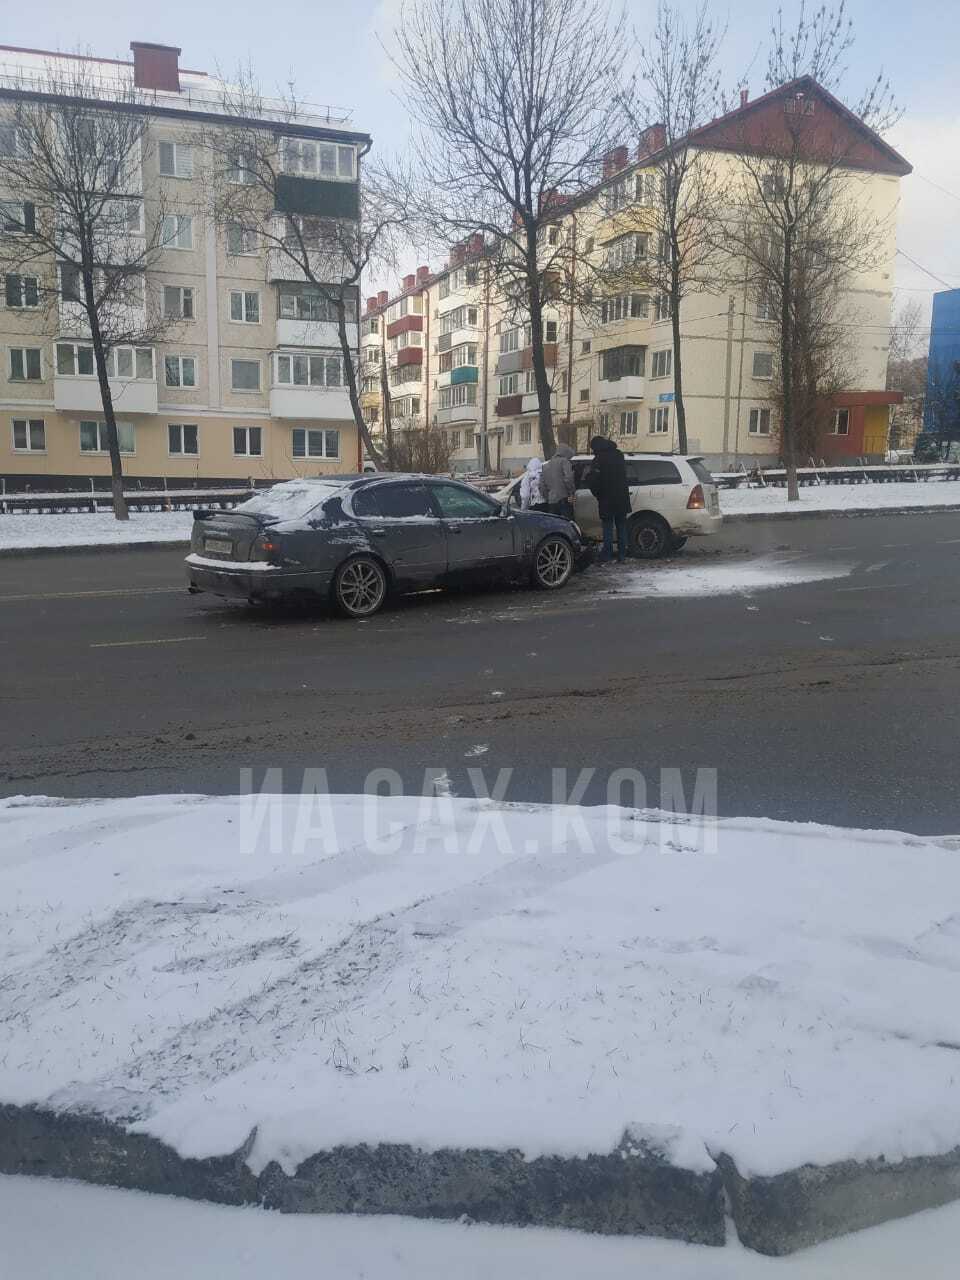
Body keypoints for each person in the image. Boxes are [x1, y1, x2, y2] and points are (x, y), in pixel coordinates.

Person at [586, 435, 630, 562]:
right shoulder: (619, 455)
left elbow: (594, 481)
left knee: (608, 528)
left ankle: (608, 554)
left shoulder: (598, 459)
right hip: (622, 498)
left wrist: (597, 494)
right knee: (621, 526)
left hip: (607, 499)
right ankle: (622, 555)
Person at [540, 443, 577, 520]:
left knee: (554, 525)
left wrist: (548, 498)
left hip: (552, 502)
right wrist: (571, 493)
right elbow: (568, 478)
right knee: (568, 524)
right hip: (564, 499)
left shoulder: (546, 465)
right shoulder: (564, 461)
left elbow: (542, 486)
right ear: (566, 453)